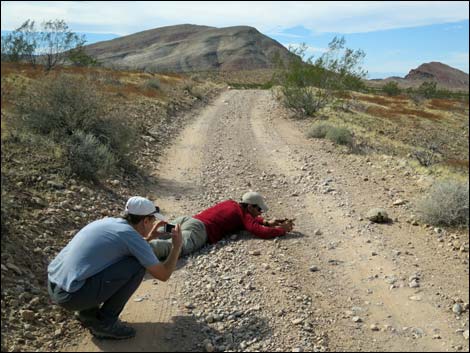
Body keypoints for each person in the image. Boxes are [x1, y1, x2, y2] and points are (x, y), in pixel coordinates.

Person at [47, 196, 182, 340]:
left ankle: (87, 313)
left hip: (54, 284)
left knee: (114, 260)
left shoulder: (108, 222)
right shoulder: (131, 237)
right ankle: (105, 324)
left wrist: (149, 237)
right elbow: (164, 275)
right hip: (71, 297)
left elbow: (123, 246)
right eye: (152, 221)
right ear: (146, 221)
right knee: (136, 265)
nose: (153, 224)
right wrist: (176, 247)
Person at [150, 191, 294, 261]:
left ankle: (135, 238)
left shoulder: (231, 204)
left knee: (160, 230)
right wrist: (282, 230)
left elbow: (251, 221)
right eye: (259, 210)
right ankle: (144, 249)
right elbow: (258, 231)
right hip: (199, 231)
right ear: (250, 207)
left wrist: (267, 222)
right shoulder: (243, 215)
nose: (260, 213)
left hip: (187, 221)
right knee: (177, 246)